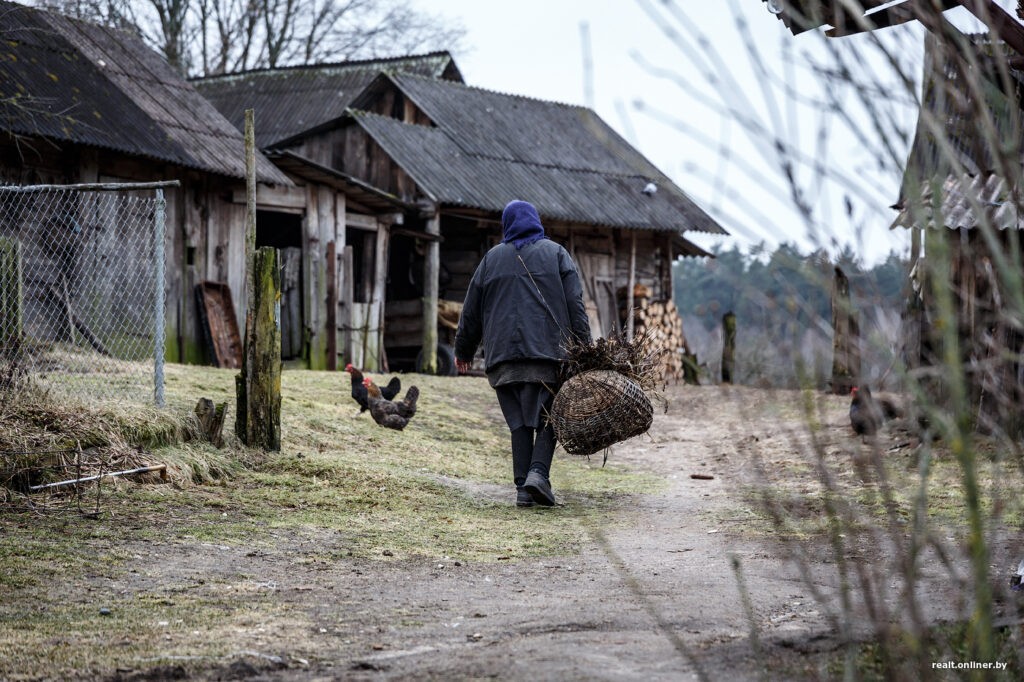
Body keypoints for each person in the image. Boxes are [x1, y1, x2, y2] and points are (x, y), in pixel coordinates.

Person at [455, 200, 591, 507]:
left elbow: (471, 311)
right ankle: (538, 475)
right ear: (535, 221)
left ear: (507, 224)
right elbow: (575, 305)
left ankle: (523, 489)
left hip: (501, 359)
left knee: (518, 422)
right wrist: (585, 348)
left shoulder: (491, 259)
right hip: (548, 356)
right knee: (549, 417)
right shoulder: (556, 253)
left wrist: (463, 350)